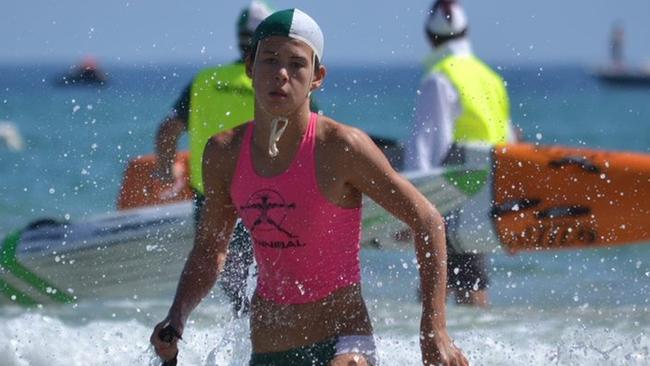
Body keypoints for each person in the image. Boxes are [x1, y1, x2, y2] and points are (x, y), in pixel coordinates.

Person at [151, 8, 468, 366]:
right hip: (269, 347)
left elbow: (428, 221)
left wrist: (433, 329)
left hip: (344, 343)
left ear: (317, 77)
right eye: (270, 60)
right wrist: (177, 316)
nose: (281, 74)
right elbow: (210, 250)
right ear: (250, 68)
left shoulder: (341, 147)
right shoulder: (223, 153)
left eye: (297, 64)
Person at [154, 1, 273, 316]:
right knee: (271, 285)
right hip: (265, 198)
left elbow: (167, 130)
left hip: (210, 198)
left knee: (233, 286)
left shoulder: (205, 80)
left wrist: (166, 171)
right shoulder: (280, 81)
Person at [406, 0, 517, 307]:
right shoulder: (491, 78)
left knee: (433, 290)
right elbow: (508, 139)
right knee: (475, 286)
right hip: (489, 196)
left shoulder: (439, 79)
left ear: (430, 37)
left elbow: (425, 150)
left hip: (451, 197)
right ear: (467, 31)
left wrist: (410, 208)